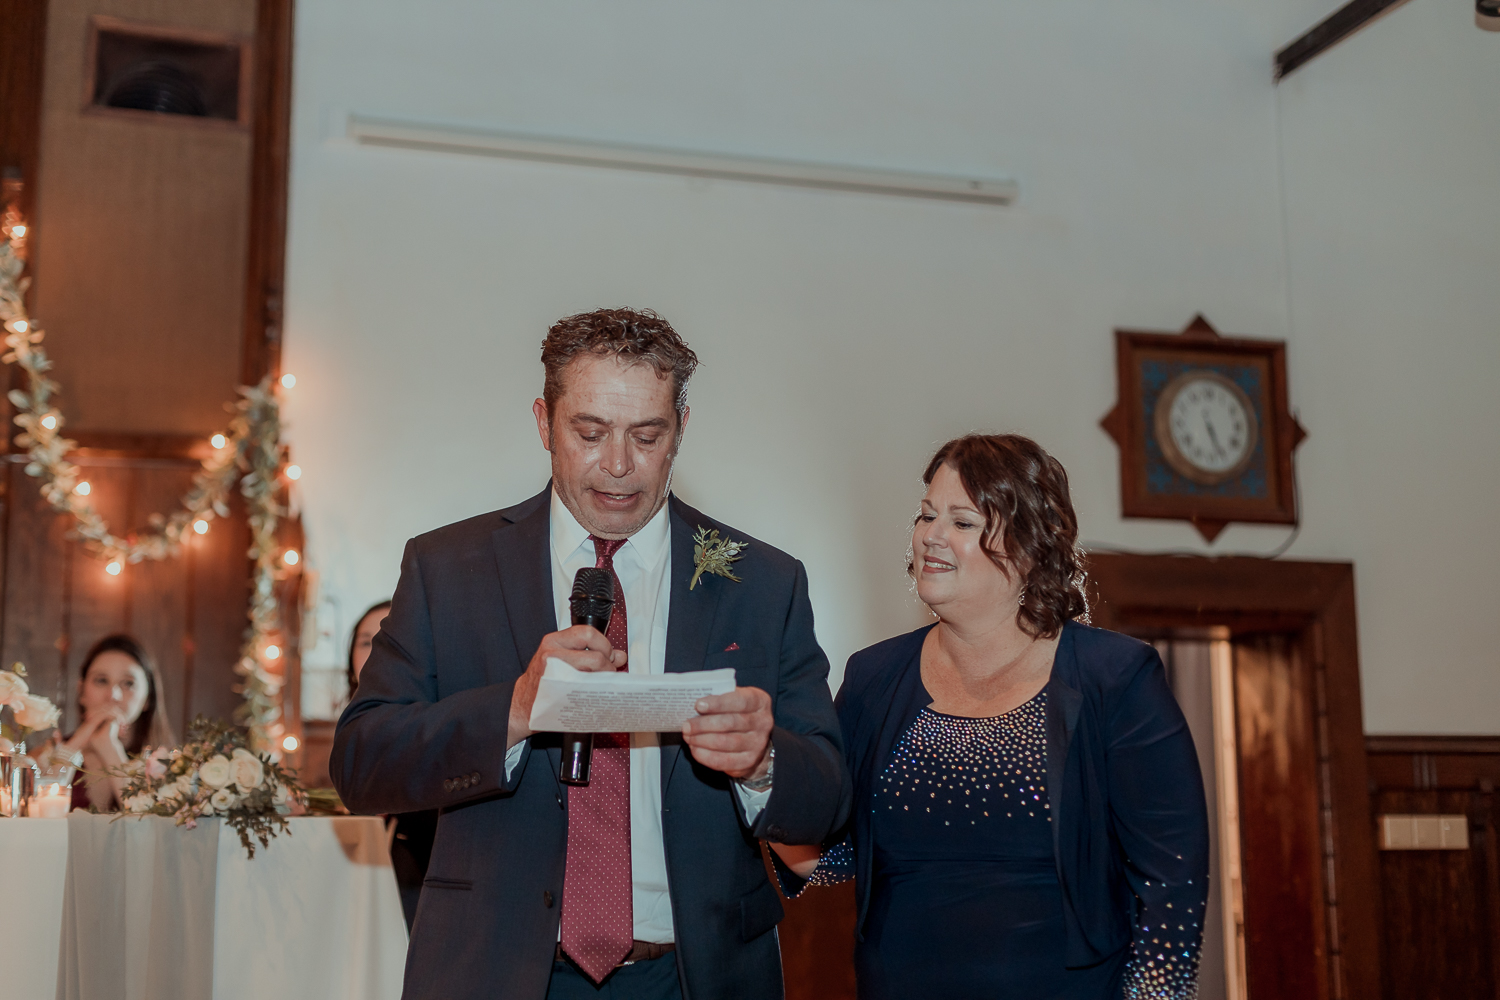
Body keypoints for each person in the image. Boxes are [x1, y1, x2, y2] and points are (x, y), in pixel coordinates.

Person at [332, 307, 850, 1000]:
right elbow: (362, 765)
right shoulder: (448, 569)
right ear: (545, 424)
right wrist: (515, 711)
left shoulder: (763, 581)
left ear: (681, 432)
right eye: (590, 432)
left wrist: (763, 759)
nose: (617, 465)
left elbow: (827, 796)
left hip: (693, 975)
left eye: (646, 435)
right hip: (498, 970)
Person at [771, 434, 1209, 999]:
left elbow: (1172, 881)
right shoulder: (875, 678)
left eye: (962, 522)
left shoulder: (1114, 677)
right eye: (926, 515)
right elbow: (832, 857)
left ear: (1029, 545)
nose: (931, 535)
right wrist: (754, 769)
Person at [348, 598, 437, 933]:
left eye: (386, 642)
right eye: (365, 642)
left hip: (416, 888)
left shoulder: (433, 721)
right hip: (353, 889)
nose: (374, 653)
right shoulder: (348, 729)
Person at [51, 634, 175, 812]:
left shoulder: (169, 764)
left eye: (128, 683)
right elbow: (40, 808)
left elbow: (148, 825)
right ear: (81, 691)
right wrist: (77, 742)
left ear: (148, 697)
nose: (113, 696)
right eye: (101, 680)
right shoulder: (49, 751)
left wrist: (109, 748)